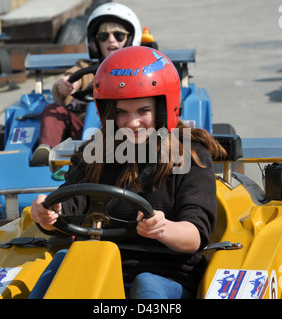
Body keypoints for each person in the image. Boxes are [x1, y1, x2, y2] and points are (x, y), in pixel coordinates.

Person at [30, 46, 227, 299]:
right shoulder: (96, 151)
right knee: (64, 262)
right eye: (122, 112)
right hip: (102, 265)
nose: (132, 123)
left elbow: (195, 236)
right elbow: (69, 202)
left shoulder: (191, 154)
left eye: (143, 111)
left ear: (163, 108)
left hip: (165, 275)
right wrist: (48, 213)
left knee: (146, 286)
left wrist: (163, 228)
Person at [31, 2, 142, 166]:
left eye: (118, 35)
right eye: (103, 36)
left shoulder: (139, 68)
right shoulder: (85, 67)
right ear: (95, 41)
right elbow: (71, 77)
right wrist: (66, 85)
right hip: (84, 134)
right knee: (53, 110)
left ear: (130, 38)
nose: (111, 39)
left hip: (122, 130)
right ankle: (48, 154)